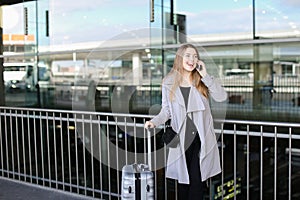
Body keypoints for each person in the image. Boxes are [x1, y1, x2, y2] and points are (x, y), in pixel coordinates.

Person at [144, 43, 227, 200]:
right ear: (180, 58)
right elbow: (166, 111)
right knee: (184, 182)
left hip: (201, 138)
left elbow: (221, 97)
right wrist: (154, 122)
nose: (192, 59)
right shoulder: (168, 82)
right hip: (181, 138)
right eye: (188, 55)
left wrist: (206, 75)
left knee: (196, 180)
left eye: (195, 56)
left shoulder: (202, 79)